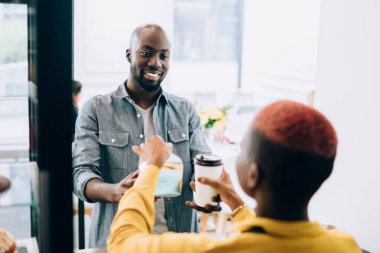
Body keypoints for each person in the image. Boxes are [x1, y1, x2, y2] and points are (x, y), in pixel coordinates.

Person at [107, 100, 361, 253]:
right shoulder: (343, 245)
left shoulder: (215, 249)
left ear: (253, 175)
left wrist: (151, 167)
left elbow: (123, 241)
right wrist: (238, 205)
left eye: (242, 149)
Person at [72, 24, 211, 248]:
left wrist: (208, 189)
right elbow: (81, 174)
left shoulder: (185, 109)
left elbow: (203, 163)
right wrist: (115, 191)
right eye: (146, 53)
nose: (156, 63)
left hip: (178, 243)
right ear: (129, 54)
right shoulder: (96, 109)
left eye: (163, 56)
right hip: (118, 243)